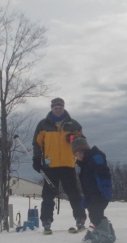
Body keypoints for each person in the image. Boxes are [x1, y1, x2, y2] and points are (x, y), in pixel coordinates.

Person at [32, 97, 87, 234]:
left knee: (74, 193)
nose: (58, 110)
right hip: (50, 166)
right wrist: (37, 160)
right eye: (55, 108)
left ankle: (80, 219)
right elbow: (37, 144)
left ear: (63, 108)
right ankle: (46, 221)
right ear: (52, 109)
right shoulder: (43, 125)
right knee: (48, 195)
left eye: (60, 108)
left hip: (68, 165)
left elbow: (82, 142)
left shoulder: (73, 125)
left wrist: (75, 141)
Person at [71, 136, 116, 243]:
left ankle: (105, 237)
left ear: (83, 151)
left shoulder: (95, 157)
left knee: (96, 214)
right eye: (75, 155)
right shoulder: (85, 165)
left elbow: (104, 172)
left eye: (77, 154)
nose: (77, 158)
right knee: (94, 214)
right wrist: (86, 198)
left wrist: (106, 187)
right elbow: (87, 185)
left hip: (101, 193)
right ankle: (105, 232)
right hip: (92, 195)